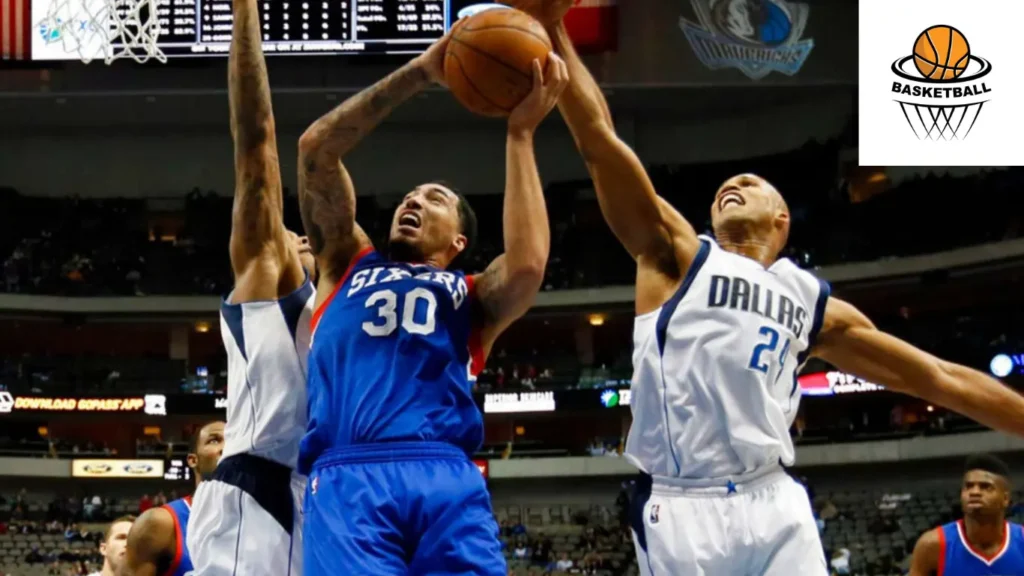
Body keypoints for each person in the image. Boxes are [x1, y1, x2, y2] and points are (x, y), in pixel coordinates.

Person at [510, 2, 1024, 574]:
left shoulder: (812, 302)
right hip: (683, 503)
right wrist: (555, 27)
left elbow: (939, 377)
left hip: (775, 498)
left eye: (752, 184)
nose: (734, 184)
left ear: (783, 219)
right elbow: (599, 142)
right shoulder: (678, 255)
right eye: (725, 187)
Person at [295, 20, 568, 576]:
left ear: (460, 240)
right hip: (350, 477)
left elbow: (529, 264)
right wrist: (422, 71)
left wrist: (520, 136)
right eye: (409, 196)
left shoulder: (471, 296)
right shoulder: (346, 262)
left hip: (445, 476)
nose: (413, 201)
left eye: (434, 198)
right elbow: (316, 151)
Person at [183, 0, 317, 574]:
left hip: (309, 492)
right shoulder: (267, 274)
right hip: (251, 486)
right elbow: (255, 139)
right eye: (290, 232)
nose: (299, 237)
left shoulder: (333, 306)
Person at [119, 421, 224, 576]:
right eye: (214, 440)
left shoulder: (257, 521)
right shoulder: (159, 523)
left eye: (233, 440)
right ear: (193, 460)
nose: (226, 448)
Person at [909, 454, 1024, 575]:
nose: (974, 492)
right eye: (968, 486)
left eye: (985, 487)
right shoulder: (932, 545)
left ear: (1005, 498)